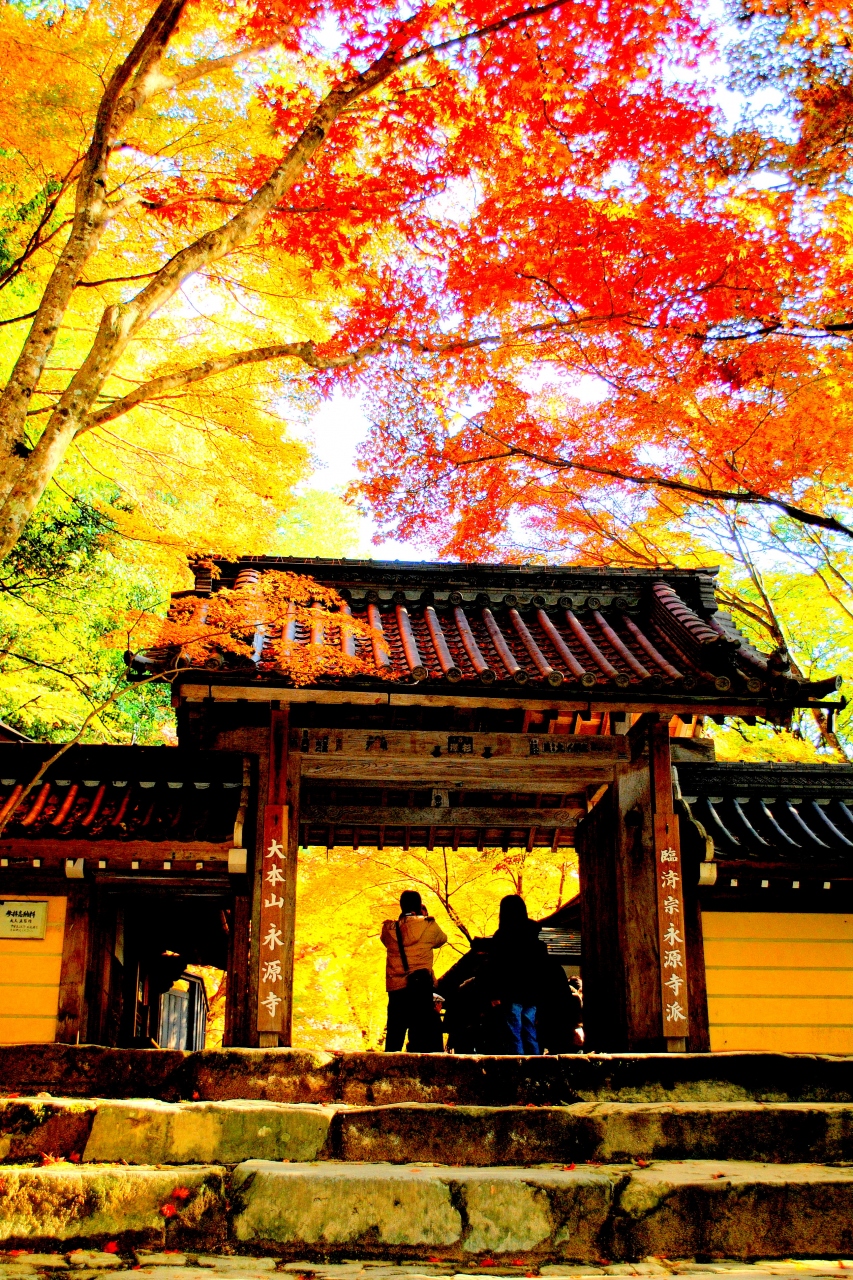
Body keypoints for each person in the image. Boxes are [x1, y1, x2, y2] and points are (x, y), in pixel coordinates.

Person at [380, 889, 447, 1052]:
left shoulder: (389, 930)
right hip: (420, 990)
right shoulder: (429, 926)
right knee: (421, 1038)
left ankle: (387, 1072)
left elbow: (384, 940)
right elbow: (442, 939)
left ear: (401, 906)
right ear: (419, 906)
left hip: (397, 991)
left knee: (395, 1037)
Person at [487, 894, 550, 1055]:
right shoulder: (534, 939)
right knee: (530, 1030)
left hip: (511, 993)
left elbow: (495, 967)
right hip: (532, 993)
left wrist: (494, 994)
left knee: (513, 1033)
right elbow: (542, 970)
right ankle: (535, 1065)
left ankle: (518, 1067)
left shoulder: (501, 937)